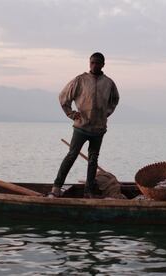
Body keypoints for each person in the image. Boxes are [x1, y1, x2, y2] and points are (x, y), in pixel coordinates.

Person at [50, 52, 119, 198]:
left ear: (103, 65)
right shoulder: (80, 80)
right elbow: (63, 97)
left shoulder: (108, 83)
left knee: (93, 159)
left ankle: (88, 192)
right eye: (92, 62)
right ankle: (56, 186)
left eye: (97, 63)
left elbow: (114, 100)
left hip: (98, 129)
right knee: (72, 155)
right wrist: (71, 113)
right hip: (81, 127)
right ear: (89, 63)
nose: (94, 65)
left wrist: (105, 113)